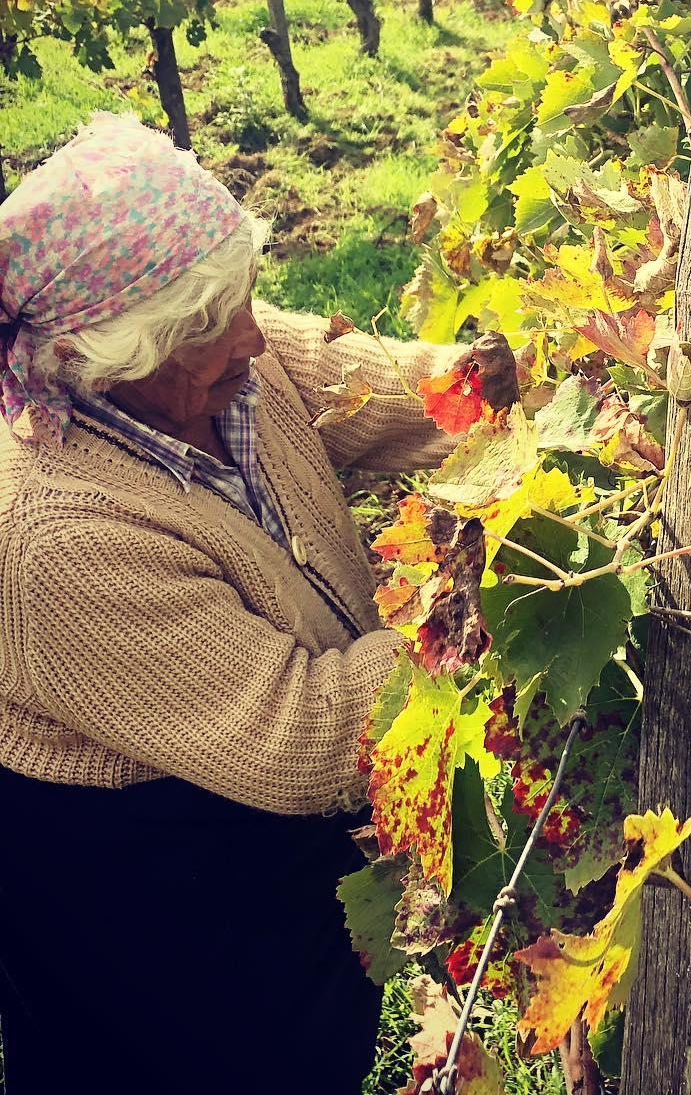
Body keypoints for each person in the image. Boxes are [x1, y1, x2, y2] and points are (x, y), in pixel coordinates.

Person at [0, 113, 473, 1095]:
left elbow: (416, 392)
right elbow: (305, 735)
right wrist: (484, 602)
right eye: (218, 322)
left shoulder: (241, 370)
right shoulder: (57, 538)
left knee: (317, 1026)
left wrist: (571, 388)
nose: (257, 332)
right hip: (148, 882)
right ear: (114, 357)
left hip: (270, 829)